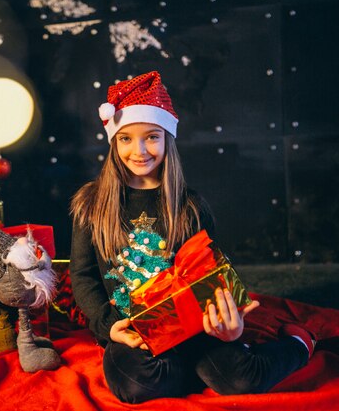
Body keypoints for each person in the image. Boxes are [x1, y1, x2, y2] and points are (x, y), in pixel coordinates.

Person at [69, 71, 315, 403]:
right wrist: (105, 324)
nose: (139, 150)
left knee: (241, 379)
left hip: (194, 327)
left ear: (167, 138)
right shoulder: (92, 203)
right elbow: (82, 275)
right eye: (126, 138)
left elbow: (212, 274)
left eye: (152, 137)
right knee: (136, 385)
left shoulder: (190, 206)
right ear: (114, 142)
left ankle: (299, 344)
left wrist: (229, 326)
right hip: (133, 332)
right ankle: (195, 372)